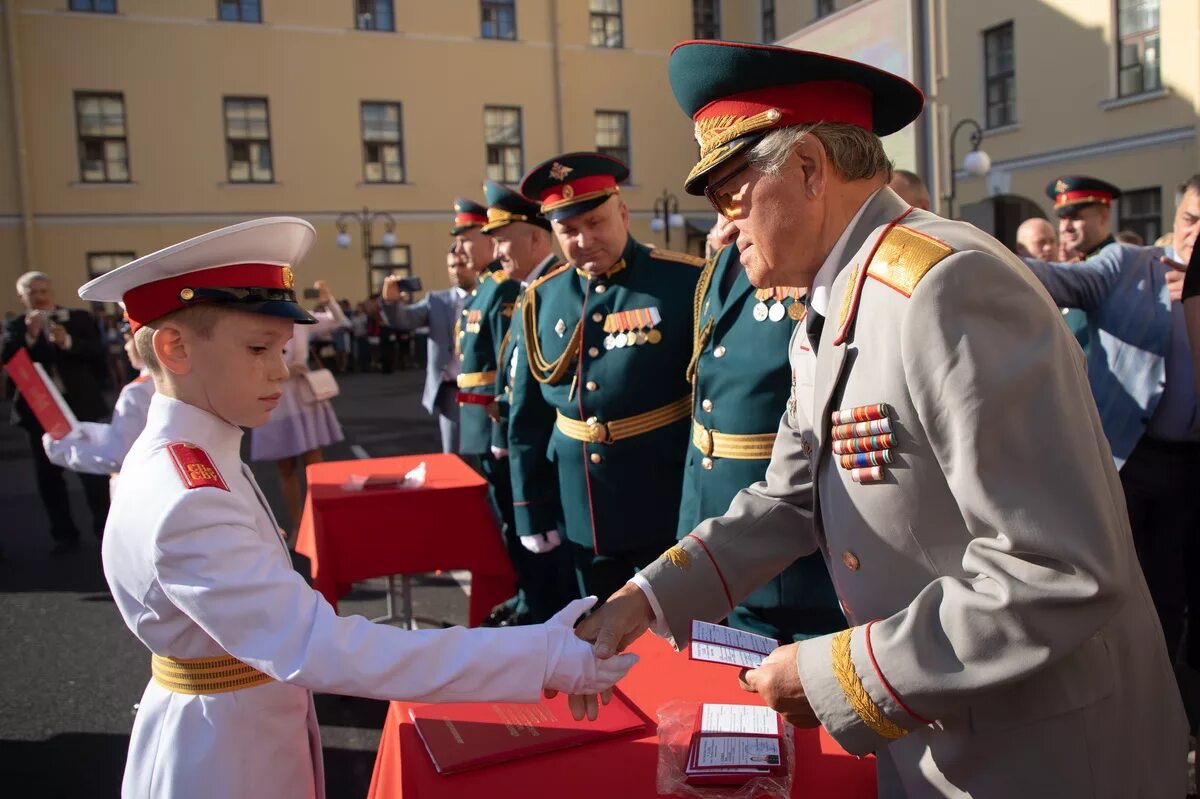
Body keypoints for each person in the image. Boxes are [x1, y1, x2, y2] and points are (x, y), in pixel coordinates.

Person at [568, 40, 1187, 796]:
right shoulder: (833, 304)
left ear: (807, 170)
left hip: (1041, 752)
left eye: (731, 190)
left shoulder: (946, 289)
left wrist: (840, 673)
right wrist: (647, 598)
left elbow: (1057, 567)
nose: (721, 222)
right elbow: (787, 498)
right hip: (945, 731)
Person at [79, 217, 637, 799]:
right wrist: (539, 655)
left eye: (280, 347)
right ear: (174, 348)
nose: (280, 368)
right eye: (257, 348)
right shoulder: (187, 494)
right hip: (225, 760)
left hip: (236, 723)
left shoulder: (194, 454)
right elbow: (319, 646)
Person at [508, 151, 704, 604]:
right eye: (568, 231)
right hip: (580, 511)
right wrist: (529, 509)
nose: (582, 240)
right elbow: (528, 417)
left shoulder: (683, 282)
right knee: (595, 639)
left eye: (595, 223)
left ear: (622, 213)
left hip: (666, 500)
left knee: (678, 630)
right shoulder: (542, 298)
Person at [1024, 176, 1200, 672]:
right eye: (1189, 219)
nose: (1196, 232)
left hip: (1194, 469)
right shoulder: (1128, 266)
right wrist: (968, 250)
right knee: (1143, 592)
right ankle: (1150, 698)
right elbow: (1055, 279)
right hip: (1135, 460)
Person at [683, 217, 843, 643]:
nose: (724, 213)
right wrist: (691, 520)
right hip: (723, 514)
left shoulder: (809, 261)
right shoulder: (721, 264)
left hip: (793, 514)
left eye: (735, 188)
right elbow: (705, 402)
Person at [480, 180, 576, 624]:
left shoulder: (556, 291)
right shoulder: (529, 293)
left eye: (503, 240)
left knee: (559, 576)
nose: (496, 251)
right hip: (525, 451)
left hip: (551, 460)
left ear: (537, 237)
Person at [2, 271, 111, 553]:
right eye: (32, 292)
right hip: (40, 411)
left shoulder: (77, 318)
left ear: (51, 290)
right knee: (49, 476)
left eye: (42, 290)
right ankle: (64, 535)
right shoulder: (15, 326)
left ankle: (105, 531)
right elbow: (9, 359)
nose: (39, 296)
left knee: (92, 472)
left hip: (80, 407)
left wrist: (67, 342)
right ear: (22, 297)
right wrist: (31, 336)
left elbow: (97, 354)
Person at [249, 278, 347, 539]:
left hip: (304, 400)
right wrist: (285, 369)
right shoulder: (255, 326)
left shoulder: (299, 321)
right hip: (276, 401)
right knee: (286, 468)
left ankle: (323, 523)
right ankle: (298, 527)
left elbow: (337, 321)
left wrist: (327, 298)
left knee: (315, 464)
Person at [380, 246, 477, 454]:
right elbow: (403, 319)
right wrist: (391, 301)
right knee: (454, 456)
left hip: (483, 390)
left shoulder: (488, 297)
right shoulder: (437, 301)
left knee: (488, 458)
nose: (456, 270)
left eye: (461, 264)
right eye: (451, 265)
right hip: (452, 391)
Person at [43, 313, 155, 477]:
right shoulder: (161, 381)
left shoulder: (136, 392)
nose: (125, 347)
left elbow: (118, 457)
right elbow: (132, 433)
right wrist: (88, 431)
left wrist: (61, 450)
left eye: (127, 340)